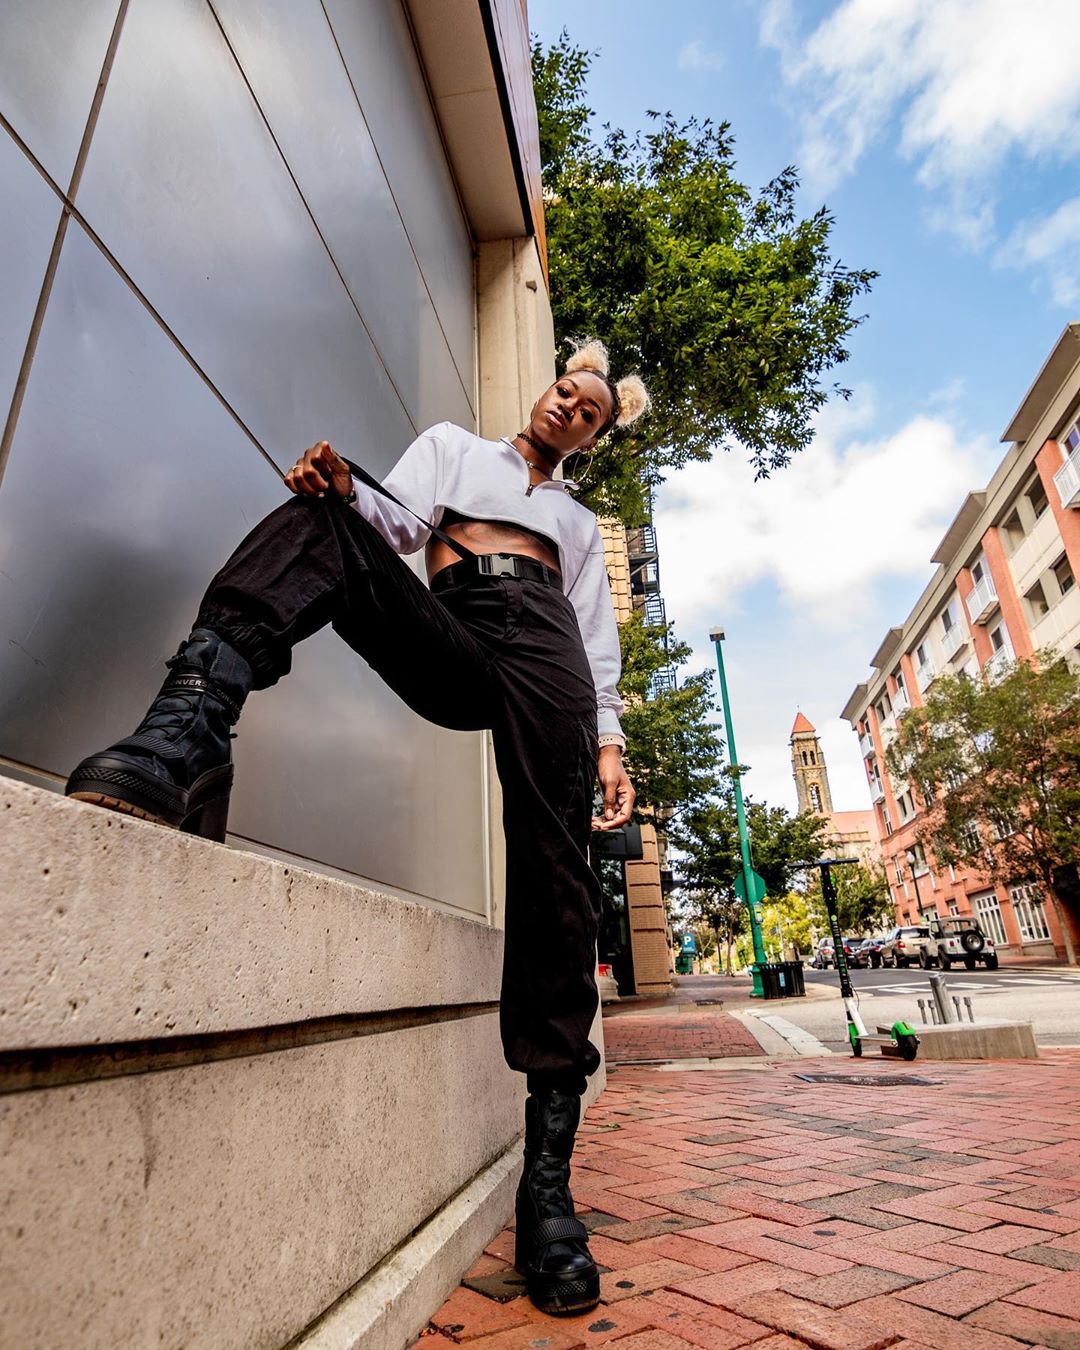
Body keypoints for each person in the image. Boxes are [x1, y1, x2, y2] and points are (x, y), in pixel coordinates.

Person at [65, 337, 649, 1316]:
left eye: (589, 412)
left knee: (559, 879)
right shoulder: (453, 448)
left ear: (593, 437)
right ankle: (190, 730)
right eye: (565, 391)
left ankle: (547, 1189)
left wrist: (611, 745)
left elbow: (595, 641)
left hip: (549, 660)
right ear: (545, 392)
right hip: (457, 631)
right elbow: (390, 524)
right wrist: (341, 486)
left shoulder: (578, 523)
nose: (569, 408)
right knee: (320, 522)